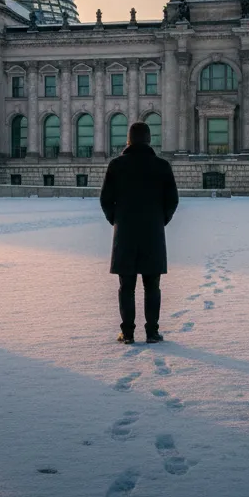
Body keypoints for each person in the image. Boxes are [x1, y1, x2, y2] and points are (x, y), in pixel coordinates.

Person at [100, 121, 179, 345]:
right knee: (152, 285)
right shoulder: (162, 166)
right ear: (148, 139)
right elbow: (172, 200)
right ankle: (152, 333)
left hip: (125, 233)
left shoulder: (116, 165)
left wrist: (117, 220)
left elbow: (106, 200)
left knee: (126, 286)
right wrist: (160, 221)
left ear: (129, 140)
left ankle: (127, 334)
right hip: (153, 234)